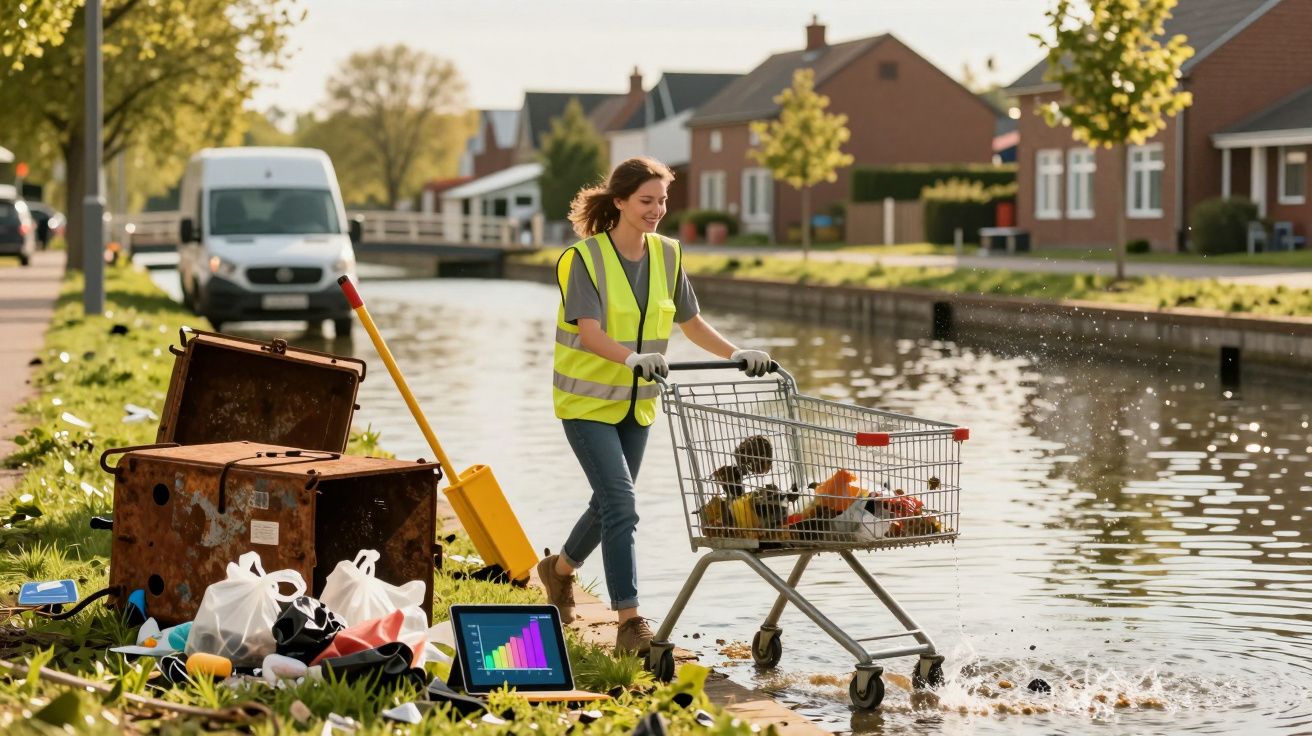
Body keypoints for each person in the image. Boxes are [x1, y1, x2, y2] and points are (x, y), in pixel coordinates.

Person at [537, 156, 771, 655]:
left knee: (608, 505)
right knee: (622, 505)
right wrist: (633, 358)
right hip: (585, 403)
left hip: (637, 405)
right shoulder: (583, 259)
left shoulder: (668, 254)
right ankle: (629, 623)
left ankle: (558, 571)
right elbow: (590, 334)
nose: (657, 210)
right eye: (646, 200)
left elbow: (691, 323)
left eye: (662, 200)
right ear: (620, 200)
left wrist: (736, 353)